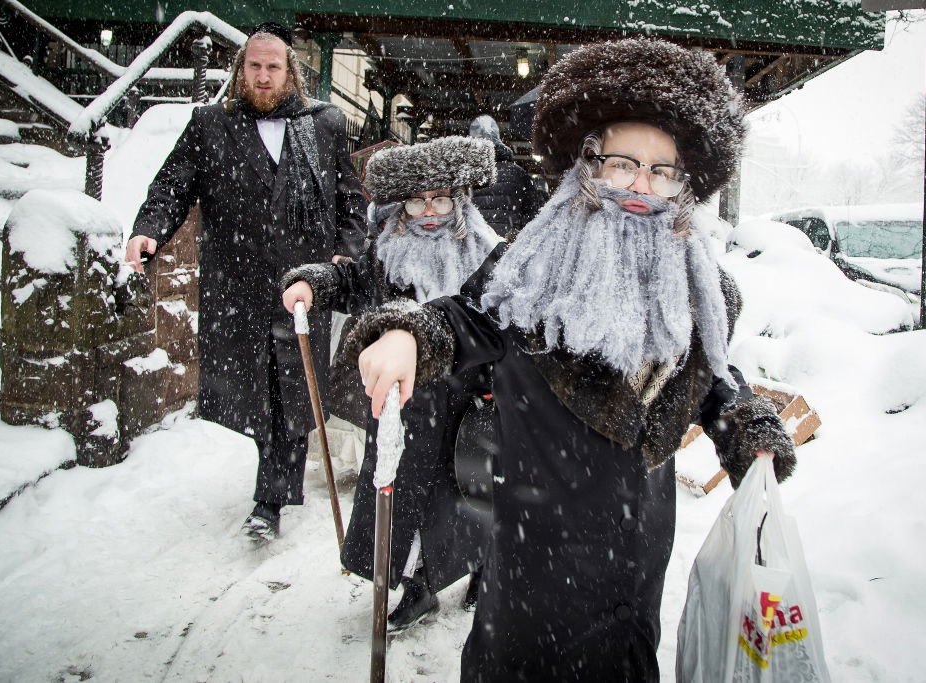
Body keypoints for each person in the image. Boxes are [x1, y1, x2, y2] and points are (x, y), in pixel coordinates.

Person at [342, 38, 799, 681]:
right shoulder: (531, 267)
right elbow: (467, 318)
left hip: (637, 550)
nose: (641, 185)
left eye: (662, 171)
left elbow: (710, 380)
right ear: (588, 165)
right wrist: (408, 335)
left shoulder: (696, 288)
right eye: (623, 163)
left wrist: (743, 428)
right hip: (537, 546)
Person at [124, 23, 367, 544]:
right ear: (240, 69)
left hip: (302, 285)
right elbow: (172, 186)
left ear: (289, 72)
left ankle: (270, 498)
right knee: (258, 392)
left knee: (291, 391)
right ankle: (273, 480)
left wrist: (346, 253)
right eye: (254, 65)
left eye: (272, 66)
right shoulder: (210, 124)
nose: (262, 75)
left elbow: (350, 200)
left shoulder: (324, 124)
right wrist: (149, 230)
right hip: (238, 284)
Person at [279, 135, 502, 632]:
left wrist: (493, 387)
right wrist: (313, 281)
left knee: (467, 493)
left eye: (441, 199)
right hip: (402, 404)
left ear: (460, 200)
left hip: (464, 404)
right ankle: (417, 583)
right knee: (400, 497)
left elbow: (496, 328)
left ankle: (476, 568)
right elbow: (350, 281)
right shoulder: (387, 253)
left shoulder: (487, 254)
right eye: (417, 201)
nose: (429, 212)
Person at [468, 114, 545, 240]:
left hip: (477, 242)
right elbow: (533, 214)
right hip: (508, 243)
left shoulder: (467, 176)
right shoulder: (517, 173)